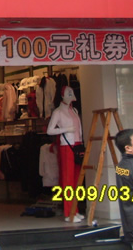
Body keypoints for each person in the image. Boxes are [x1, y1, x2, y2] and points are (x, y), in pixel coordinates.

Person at [46, 86, 84, 222]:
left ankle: (75, 210)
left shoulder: (74, 110)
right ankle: (69, 212)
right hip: (67, 146)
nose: (70, 96)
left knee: (77, 179)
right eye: (68, 93)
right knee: (68, 179)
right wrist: (66, 129)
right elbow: (50, 130)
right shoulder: (58, 112)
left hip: (77, 145)